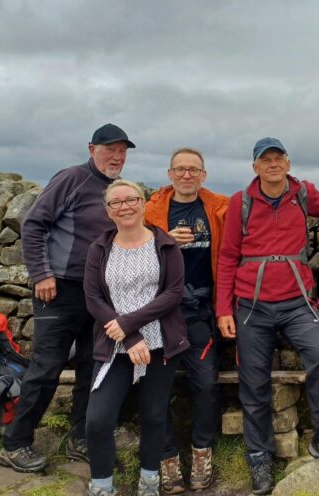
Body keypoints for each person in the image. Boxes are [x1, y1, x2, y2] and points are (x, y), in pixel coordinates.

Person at [0, 124, 134, 473]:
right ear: (92, 149)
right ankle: (15, 443)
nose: (117, 156)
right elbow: (33, 224)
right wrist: (41, 274)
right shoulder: (71, 178)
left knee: (93, 367)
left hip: (98, 294)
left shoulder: (117, 191)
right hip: (59, 290)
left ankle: (80, 437)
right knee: (46, 368)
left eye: (122, 151)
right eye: (110, 149)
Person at [216, 138, 319, 495]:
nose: (273, 164)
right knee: (253, 381)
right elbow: (228, 257)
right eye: (265, 159)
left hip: (297, 303)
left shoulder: (303, 194)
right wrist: (224, 309)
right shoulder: (240, 202)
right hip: (251, 306)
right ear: (255, 167)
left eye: (279, 158)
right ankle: (259, 455)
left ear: (288, 164)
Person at [82, 179, 187, 496]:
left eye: (131, 199)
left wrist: (129, 324)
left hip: (160, 344)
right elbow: (93, 298)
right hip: (114, 346)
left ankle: (150, 481)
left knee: (154, 416)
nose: (124, 206)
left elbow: (173, 294)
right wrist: (127, 337)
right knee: (97, 421)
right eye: (116, 202)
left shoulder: (165, 245)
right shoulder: (99, 248)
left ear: (143, 204)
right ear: (108, 210)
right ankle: (102, 487)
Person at [144, 148, 228, 494]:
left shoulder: (218, 207)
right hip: (160, 312)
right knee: (155, 390)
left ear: (203, 175)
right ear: (170, 173)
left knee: (206, 384)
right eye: (181, 169)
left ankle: (202, 451)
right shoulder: (151, 212)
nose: (187, 175)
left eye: (194, 169)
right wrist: (163, 242)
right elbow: (131, 250)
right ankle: (166, 458)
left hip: (199, 312)